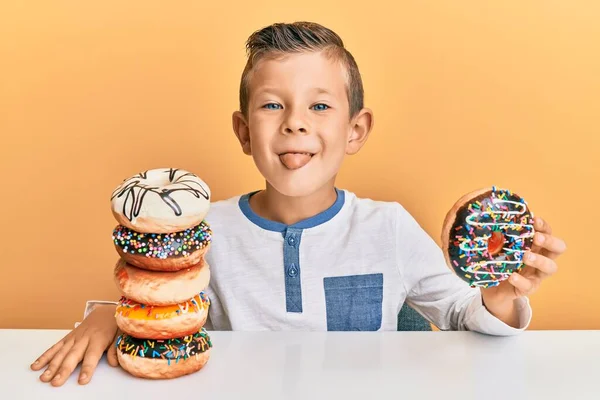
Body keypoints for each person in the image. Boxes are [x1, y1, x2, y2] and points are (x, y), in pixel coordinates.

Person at [31, 21, 567, 386]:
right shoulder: (200, 231)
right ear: (244, 132)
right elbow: (157, 309)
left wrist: (499, 294)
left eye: (319, 104)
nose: (295, 121)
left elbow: (462, 316)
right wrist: (111, 317)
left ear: (356, 130)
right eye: (271, 104)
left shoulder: (388, 228)